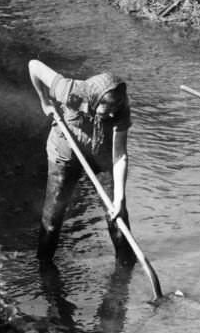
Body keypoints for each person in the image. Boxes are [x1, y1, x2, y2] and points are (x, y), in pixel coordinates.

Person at [28, 58, 134, 265]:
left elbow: (120, 155)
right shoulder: (73, 93)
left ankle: (126, 270)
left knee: (118, 218)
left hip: (101, 158)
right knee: (52, 222)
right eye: (107, 110)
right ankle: (45, 268)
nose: (113, 114)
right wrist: (44, 101)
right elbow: (34, 66)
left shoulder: (121, 109)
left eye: (116, 109)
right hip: (65, 155)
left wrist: (119, 198)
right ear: (94, 101)